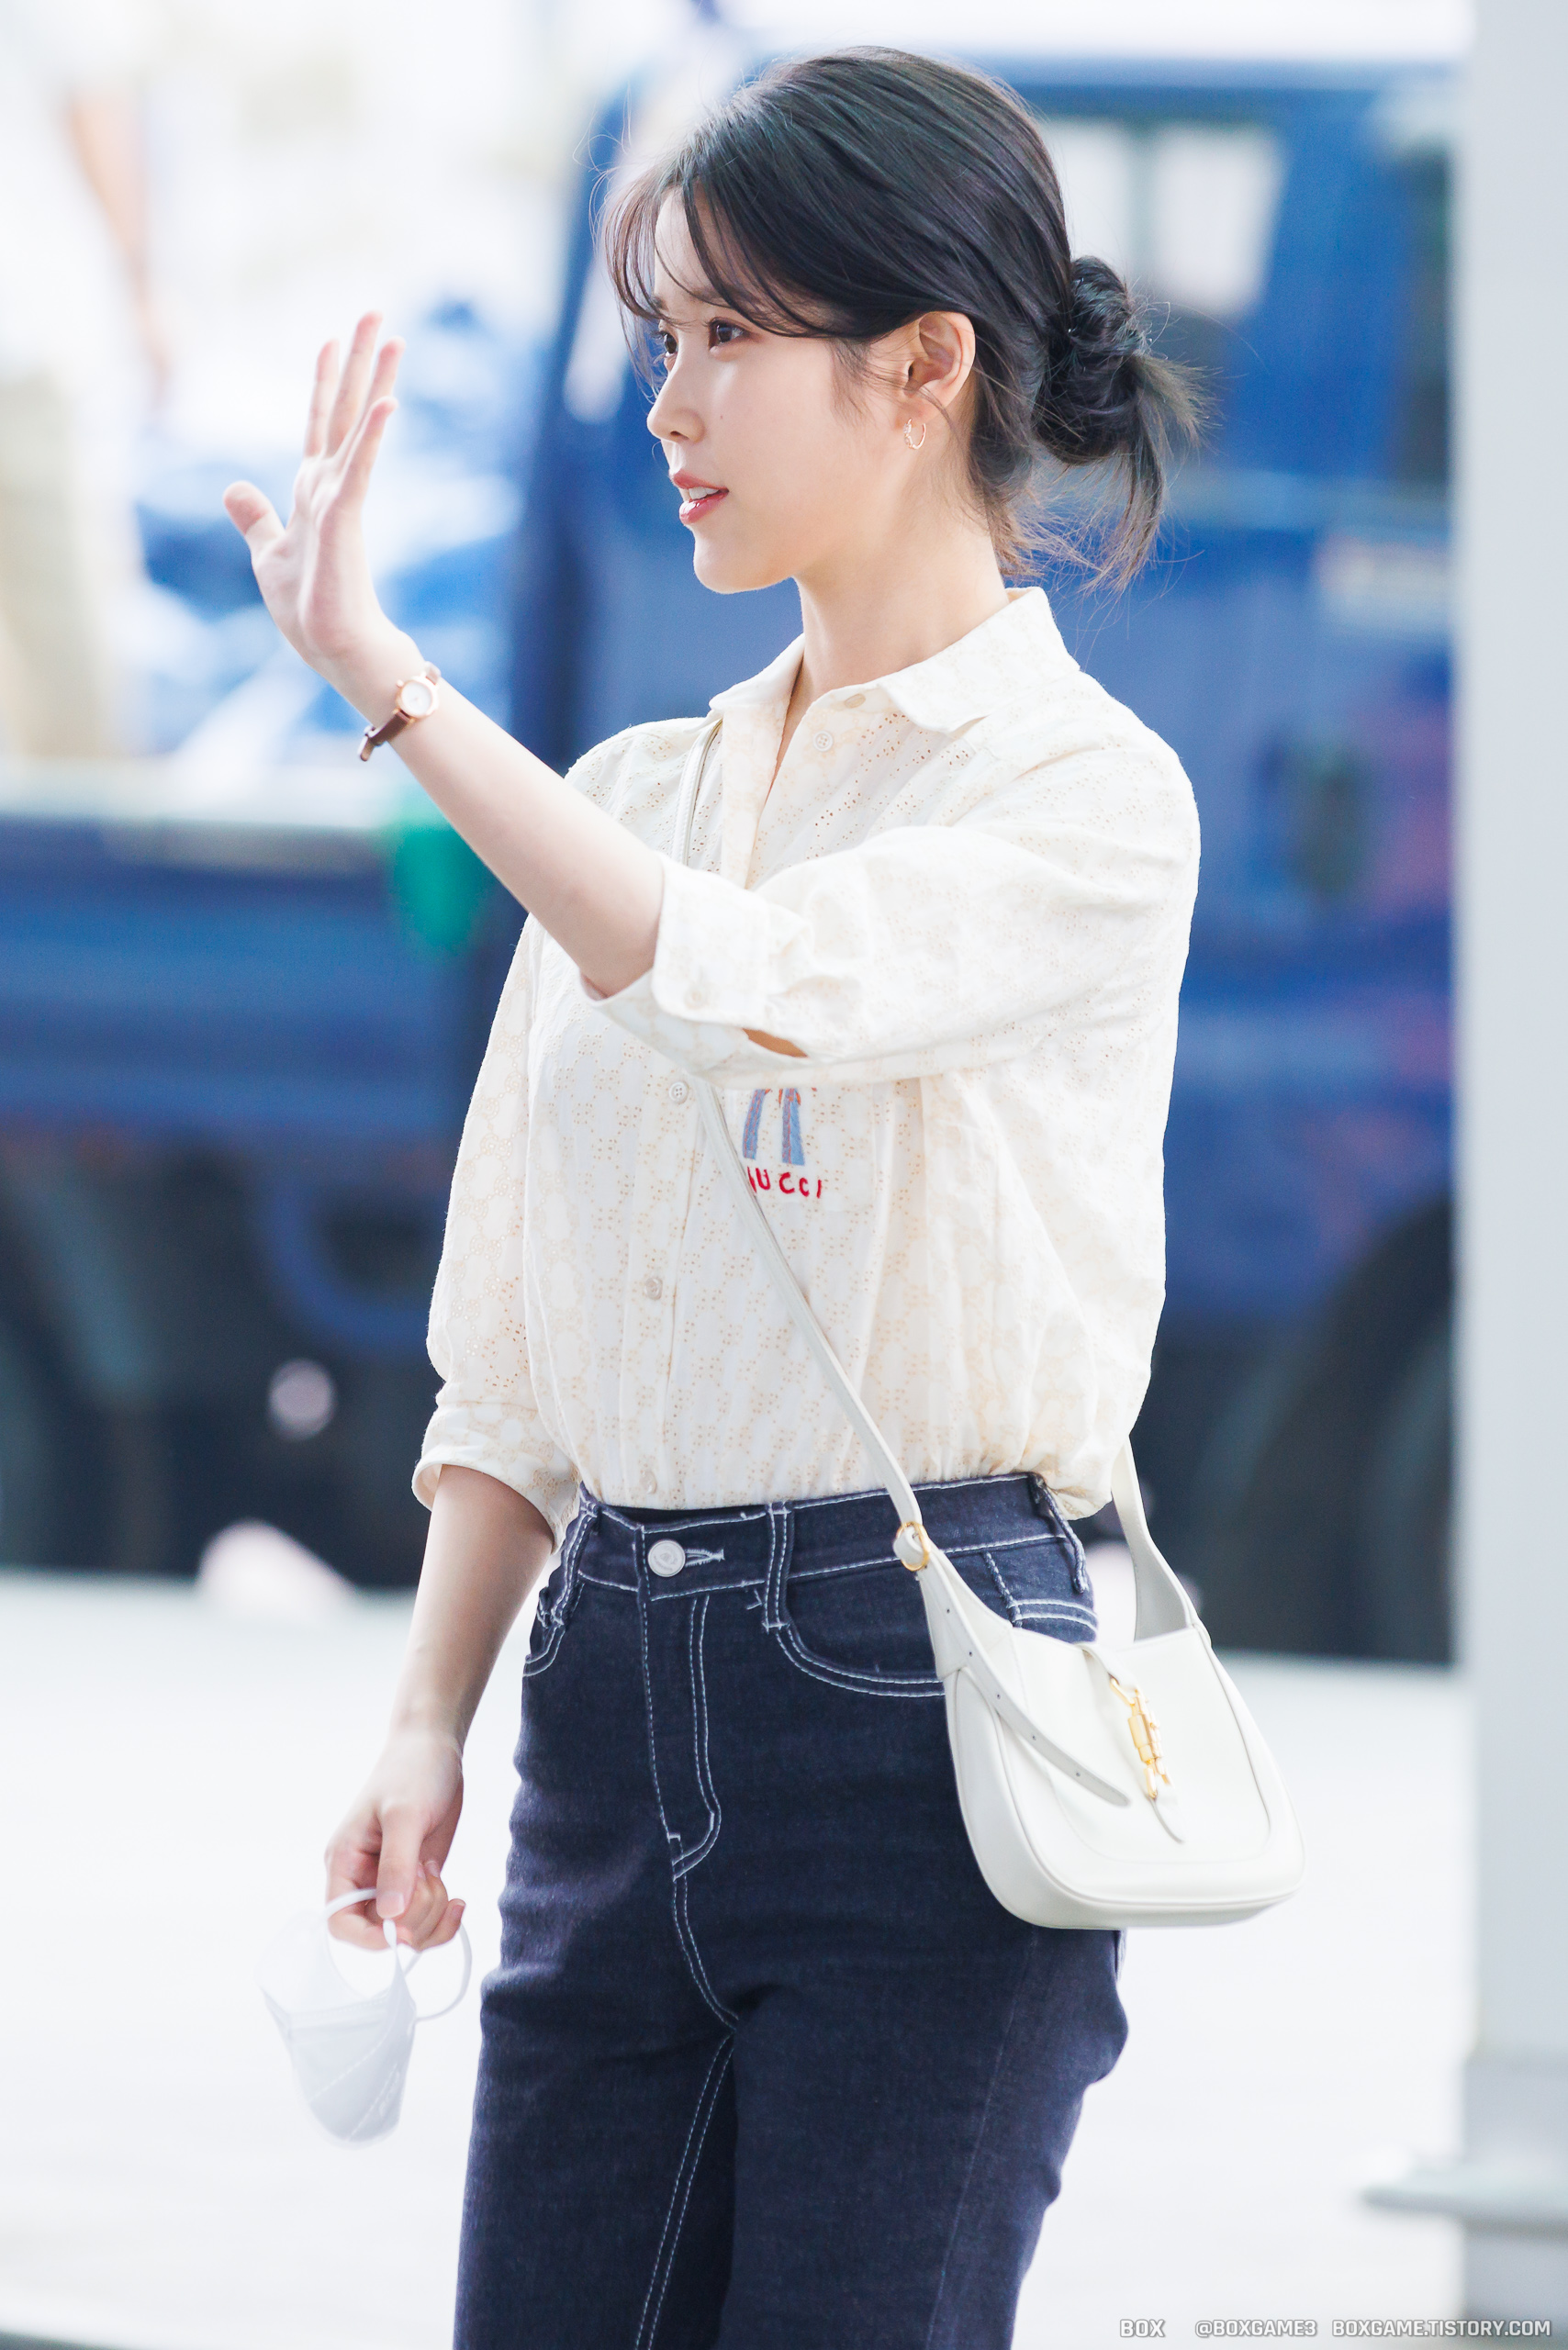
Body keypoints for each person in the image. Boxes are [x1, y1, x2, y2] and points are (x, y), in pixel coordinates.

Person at [225, 46, 1200, 2349]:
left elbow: (745, 984)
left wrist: (385, 682)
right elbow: (514, 1338)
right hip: (605, 1693)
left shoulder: (1085, 796)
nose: (666, 401)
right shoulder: (638, 787)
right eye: (659, 335)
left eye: (728, 335)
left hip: (917, 1700)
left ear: (924, 364)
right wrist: (428, 1718)